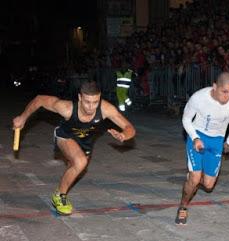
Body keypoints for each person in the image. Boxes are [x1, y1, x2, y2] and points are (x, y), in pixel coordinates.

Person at [13, 81, 136, 215]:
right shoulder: (67, 107)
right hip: (65, 136)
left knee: (76, 166)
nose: (91, 107)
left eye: (95, 102)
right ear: (79, 98)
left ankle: (64, 184)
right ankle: (60, 196)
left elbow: (130, 128)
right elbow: (40, 100)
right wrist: (23, 118)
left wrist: (123, 135)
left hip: (86, 141)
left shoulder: (106, 109)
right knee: (80, 162)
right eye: (87, 102)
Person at [175, 72, 229, 225]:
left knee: (208, 185)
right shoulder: (198, 98)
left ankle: (194, 178)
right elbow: (186, 119)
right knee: (195, 178)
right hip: (198, 136)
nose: (228, 96)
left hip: (217, 140)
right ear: (214, 87)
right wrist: (195, 137)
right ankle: (183, 206)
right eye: (224, 92)